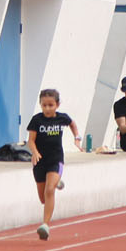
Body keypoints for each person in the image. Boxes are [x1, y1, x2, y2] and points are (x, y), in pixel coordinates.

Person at [26, 87, 79, 241]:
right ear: (40, 105)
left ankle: (45, 225)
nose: (47, 109)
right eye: (44, 105)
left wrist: (77, 137)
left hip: (55, 159)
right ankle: (56, 182)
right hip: (40, 161)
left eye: (51, 105)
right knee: (43, 198)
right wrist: (34, 152)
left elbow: (72, 124)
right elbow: (31, 140)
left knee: (49, 191)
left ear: (57, 105)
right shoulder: (37, 120)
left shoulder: (62, 118)